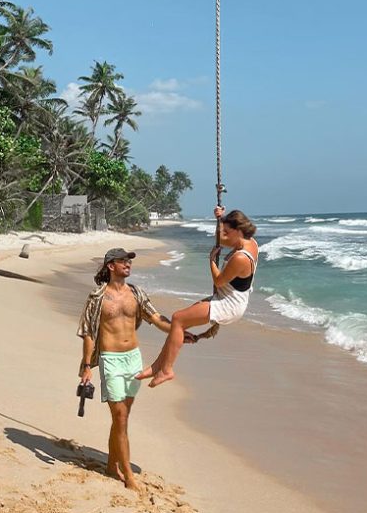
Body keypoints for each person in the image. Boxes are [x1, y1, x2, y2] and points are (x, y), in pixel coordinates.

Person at [76, 246, 196, 490]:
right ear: (111, 266)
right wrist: (87, 366)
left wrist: (179, 331)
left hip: (133, 358)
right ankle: (128, 474)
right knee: (120, 416)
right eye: (123, 261)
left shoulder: (136, 293)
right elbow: (88, 333)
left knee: (122, 418)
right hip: (110, 359)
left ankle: (111, 465)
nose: (128, 264)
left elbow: (155, 317)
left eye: (129, 261)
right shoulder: (97, 297)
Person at [136, 206, 258, 388]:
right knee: (179, 321)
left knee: (177, 319)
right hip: (229, 298)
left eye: (227, 231)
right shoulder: (250, 242)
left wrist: (210, 260)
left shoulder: (241, 257)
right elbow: (223, 241)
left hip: (229, 305)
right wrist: (220, 218)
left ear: (238, 231)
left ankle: (166, 370)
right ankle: (156, 367)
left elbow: (218, 281)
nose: (223, 235)